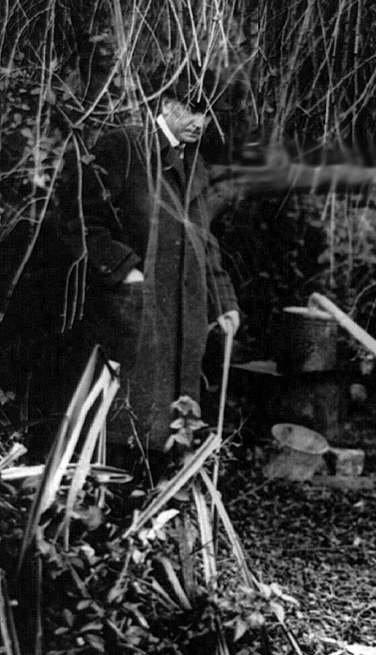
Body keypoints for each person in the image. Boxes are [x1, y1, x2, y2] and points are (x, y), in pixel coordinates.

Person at [61, 65, 239, 475]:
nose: (200, 122)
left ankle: (158, 503)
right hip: (131, 312)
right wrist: (125, 272)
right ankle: (113, 503)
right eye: (191, 109)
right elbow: (79, 222)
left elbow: (203, 242)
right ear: (163, 102)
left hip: (182, 317)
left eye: (207, 112)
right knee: (123, 419)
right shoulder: (123, 148)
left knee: (175, 418)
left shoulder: (196, 166)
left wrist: (223, 301)